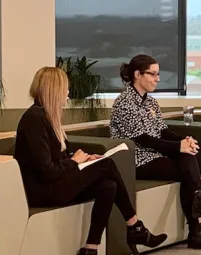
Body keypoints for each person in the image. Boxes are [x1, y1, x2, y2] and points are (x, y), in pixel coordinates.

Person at [13, 67, 167, 255]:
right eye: (65, 89)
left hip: (54, 183)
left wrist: (79, 159)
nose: (68, 93)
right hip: (42, 190)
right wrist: (74, 162)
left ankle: (91, 248)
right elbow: (47, 170)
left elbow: (55, 159)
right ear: (54, 90)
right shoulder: (34, 120)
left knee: (108, 185)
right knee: (107, 165)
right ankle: (135, 226)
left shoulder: (47, 116)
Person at [109, 55, 201, 251]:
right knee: (187, 166)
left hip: (155, 155)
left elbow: (163, 131)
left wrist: (183, 140)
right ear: (137, 74)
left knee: (187, 158)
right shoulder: (124, 102)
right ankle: (197, 223)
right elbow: (143, 139)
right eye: (152, 74)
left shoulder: (151, 102)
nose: (157, 79)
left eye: (158, 74)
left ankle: (198, 212)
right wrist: (179, 147)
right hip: (137, 160)